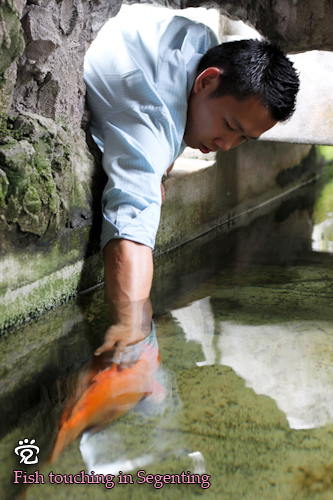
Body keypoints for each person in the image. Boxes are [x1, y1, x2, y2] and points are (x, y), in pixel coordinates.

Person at [83, 11, 299, 362]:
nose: (227, 145)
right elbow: (132, 229)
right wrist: (130, 328)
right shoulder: (150, 122)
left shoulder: (202, 43)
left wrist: (162, 168)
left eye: (244, 137)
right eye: (230, 124)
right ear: (207, 81)